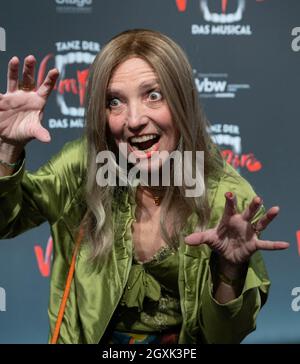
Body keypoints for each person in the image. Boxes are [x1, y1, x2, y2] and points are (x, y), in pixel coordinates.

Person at [0, 29, 289, 344]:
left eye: (153, 94)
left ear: (183, 100)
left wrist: (230, 272)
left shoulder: (227, 197)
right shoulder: (83, 167)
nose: (134, 119)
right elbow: (6, 220)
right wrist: (7, 150)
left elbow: (225, 336)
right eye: (115, 101)